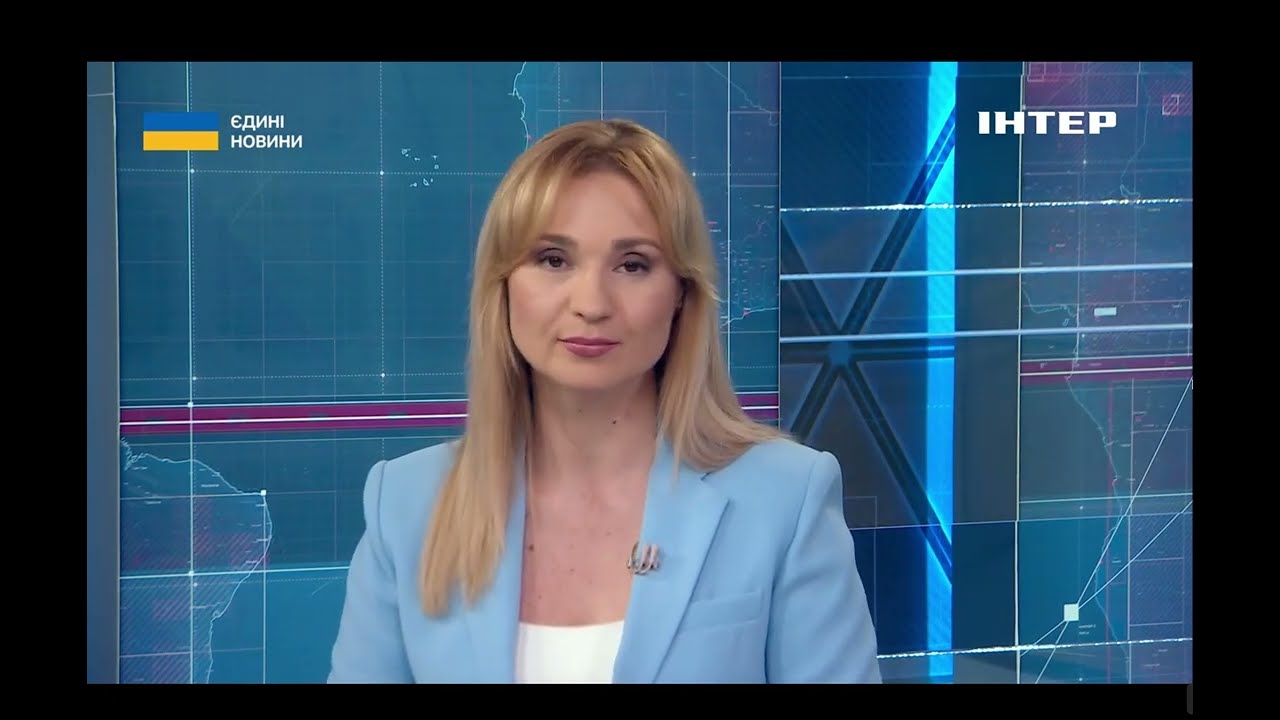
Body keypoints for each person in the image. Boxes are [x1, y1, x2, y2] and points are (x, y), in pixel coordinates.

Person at [327, 118, 882, 684]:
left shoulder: (785, 498)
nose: (591, 303)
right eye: (553, 259)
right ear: (504, 284)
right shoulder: (406, 505)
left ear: (681, 294)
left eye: (633, 265)